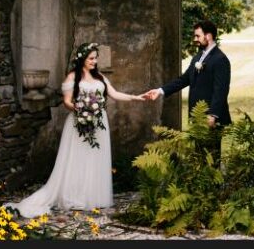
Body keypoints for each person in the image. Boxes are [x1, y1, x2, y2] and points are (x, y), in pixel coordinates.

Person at [12, 43, 151, 218]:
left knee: (95, 157)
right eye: (91, 58)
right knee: (78, 157)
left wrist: (136, 97)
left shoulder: (100, 77)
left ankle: (93, 196)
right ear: (82, 60)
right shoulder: (72, 77)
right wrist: (81, 109)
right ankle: (74, 196)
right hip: (79, 122)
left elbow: (114, 94)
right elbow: (67, 101)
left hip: (99, 123)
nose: (95, 61)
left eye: (95, 58)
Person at [144, 20, 232, 158]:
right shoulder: (198, 57)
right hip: (197, 116)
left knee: (211, 160)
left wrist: (213, 115)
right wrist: (160, 91)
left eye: (197, 36)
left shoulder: (220, 59)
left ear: (208, 36)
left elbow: (221, 90)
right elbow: (184, 79)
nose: (195, 39)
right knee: (199, 157)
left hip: (210, 118)